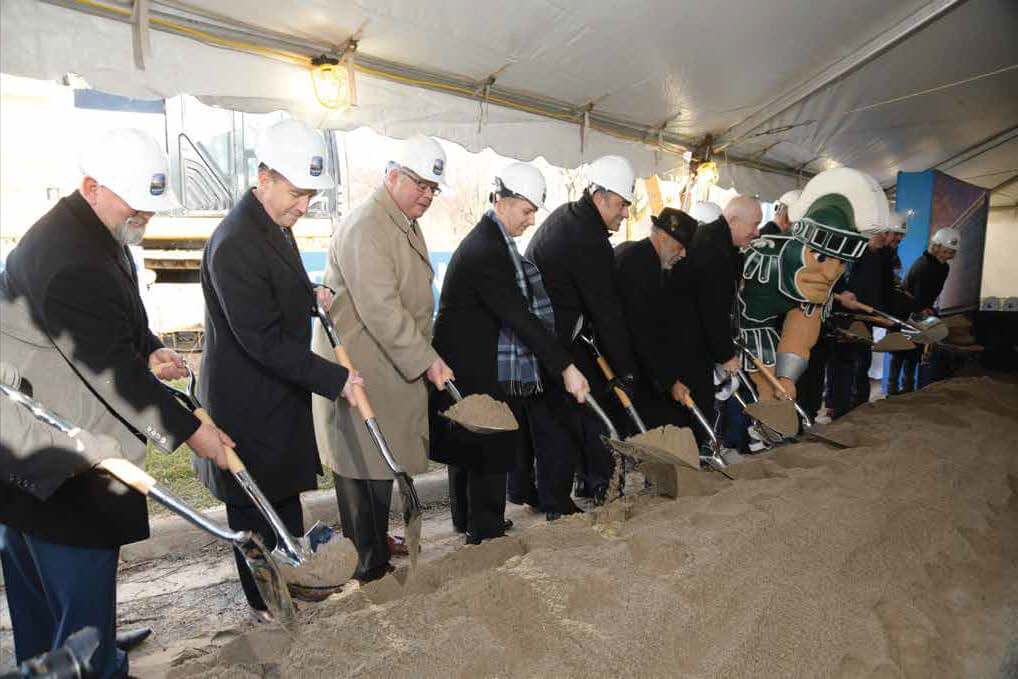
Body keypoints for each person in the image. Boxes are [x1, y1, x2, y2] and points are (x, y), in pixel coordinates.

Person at [1, 128, 233, 678]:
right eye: (138, 204)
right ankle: (90, 657)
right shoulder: (68, 258)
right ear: (92, 186)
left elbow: (112, 325)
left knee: (49, 601)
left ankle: (76, 646)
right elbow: (116, 382)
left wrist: (151, 349)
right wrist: (193, 432)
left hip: (31, 450)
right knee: (70, 584)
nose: (146, 216)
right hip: (58, 467)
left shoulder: (92, 232)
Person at [197, 119, 361, 618]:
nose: (303, 205)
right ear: (264, 178)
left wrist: (309, 296)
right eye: (296, 193)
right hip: (246, 405)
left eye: (310, 195)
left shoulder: (271, 226)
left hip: (275, 397)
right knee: (255, 512)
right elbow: (259, 338)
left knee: (283, 502)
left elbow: (278, 288)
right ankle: (267, 608)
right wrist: (336, 378)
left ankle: (292, 583)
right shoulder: (236, 242)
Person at [312, 136, 453, 581]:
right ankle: (366, 565)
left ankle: (374, 544)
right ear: (392, 175)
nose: (427, 196)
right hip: (362, 369)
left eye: (434, 188)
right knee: (362, 467)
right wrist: (427, 360)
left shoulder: (401, 221)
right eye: (420, 185)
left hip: (389, 367)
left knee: (380, 464)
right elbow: (381, 307)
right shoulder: (366, 227)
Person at [430, 163, 590, 533]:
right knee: (489, 445)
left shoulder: (491, 240)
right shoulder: (487, 249)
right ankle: (484, 533)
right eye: (526, 210)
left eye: (534, 211)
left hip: (468, 359)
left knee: (472, 447)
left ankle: (469, 522)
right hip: (470, 363)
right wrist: (565, 366)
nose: (531, 220)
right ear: (502, 201)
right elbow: (519, 316)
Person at [525, 155, 639, 504]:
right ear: (601, 196)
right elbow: (607, 313)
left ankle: (580, 484)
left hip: (547, 334)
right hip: (555, 341)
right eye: (621, 204)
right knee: (586, 410)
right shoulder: (589, 239)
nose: (625, 213)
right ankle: (598, 485)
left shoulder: (567, 216)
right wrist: (624, 371)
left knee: (566, 415)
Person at [615, 207, 704, 431]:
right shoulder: (640, 265)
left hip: (639, 366)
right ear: (664, 238)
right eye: (680, 247)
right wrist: (669, 380)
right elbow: (642, 331)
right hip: (629, 369)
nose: (683, 254)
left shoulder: (647, 259)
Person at [888, 226, 959, 394]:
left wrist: (928, 311)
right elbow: (915, 296)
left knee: (914, 353)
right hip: (905, 313)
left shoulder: (943, 268)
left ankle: (908, 390)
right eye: (946, 251)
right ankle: (892, 391)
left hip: (921, 312)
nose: (948, 255)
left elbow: (931, 294)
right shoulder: (924, 265)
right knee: (899, 352)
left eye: (951, 253)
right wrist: (923, 310)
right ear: (936, 247)